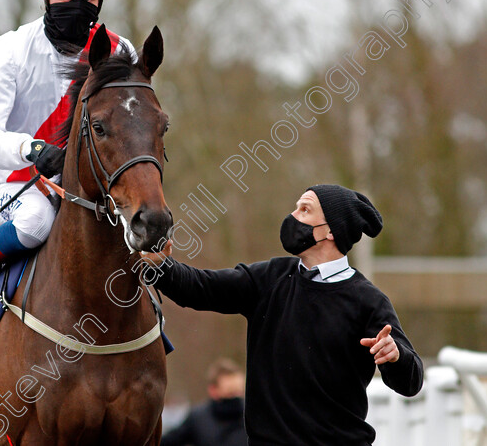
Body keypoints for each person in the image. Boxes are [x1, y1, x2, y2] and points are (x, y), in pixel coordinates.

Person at [0, 0, 134, 339]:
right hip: (25, 185)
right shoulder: (9, 50)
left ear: (101, 1)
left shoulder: (120, 51)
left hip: (98, 184)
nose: (79, 4)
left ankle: (147, 332)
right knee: (34, 225)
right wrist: (30, 149)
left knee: (143, 229)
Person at [142, 184, 424, 446]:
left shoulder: (369, 301)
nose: (292, 216)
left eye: (304, 209)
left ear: (331, 231)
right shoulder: (270, 278)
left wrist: (395, 355)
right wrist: (160, 266)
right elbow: (202, 288)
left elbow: (411, 382)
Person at [161, 358, 248, 446]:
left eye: (240, 392)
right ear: (213, 390)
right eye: (230, 393)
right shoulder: (198, 418)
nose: (237, 397)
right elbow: (168, 441)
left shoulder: (251, 417)